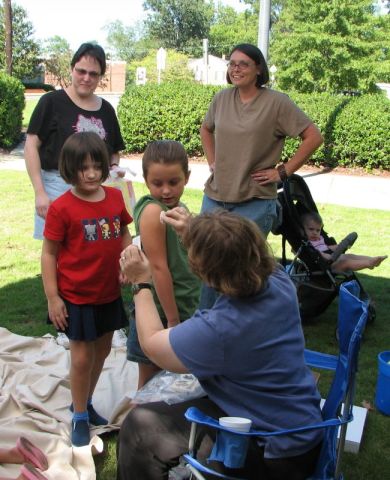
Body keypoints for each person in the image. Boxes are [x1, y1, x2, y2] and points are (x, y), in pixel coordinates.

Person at [117, 209, 323, 480]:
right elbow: (235, 255)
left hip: (272, 455)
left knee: (139, 427)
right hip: (301, 432)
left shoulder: (220, 329)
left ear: (209, 275)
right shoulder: (277, 280)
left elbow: (153, 345)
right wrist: (197, 233)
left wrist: (140, 284)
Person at [199, 43, 323, 308]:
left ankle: (242, 326)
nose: (236, 68)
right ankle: (206, 323)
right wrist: (213, 161)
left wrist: (283, 172)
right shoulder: (222, 98)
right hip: (216, 198)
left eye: (243, 63)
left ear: (258, 69)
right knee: (208, 265)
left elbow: (313, 137)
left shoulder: (277, 103)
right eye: (232, 63)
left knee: (241, 271)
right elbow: (206, 129)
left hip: (254, 202)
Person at [41, 131, 132, 447]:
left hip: (109, 293)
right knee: (81, 359)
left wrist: (126, 263)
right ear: (70, 169)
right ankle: (79, 415)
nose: (92, 173)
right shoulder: (61, 208)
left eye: (97, 165)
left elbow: (124, 235)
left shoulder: (116, 197)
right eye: (84, 167)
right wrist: (53, 297)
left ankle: (86, 402)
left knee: (103, 352)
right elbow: (49, 253)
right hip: (76, 297)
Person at [24, 42, 124, 241]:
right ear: (72, 69)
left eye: (94, 74)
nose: (86, 78)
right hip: (57, 188)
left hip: (95, 188)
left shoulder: (106, 110)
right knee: (56, 253)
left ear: (100, 77)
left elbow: (114, 150)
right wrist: (40, 192)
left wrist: (113, 167)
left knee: (89, 247)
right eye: (81, 71)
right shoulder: (51, 102)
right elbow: (30, 147)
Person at [126, 140, 201, 388]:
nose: (166, 190)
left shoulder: (180, 209)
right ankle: (137, 426)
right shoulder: (152, 212)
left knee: (175, 382)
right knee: (149, 380)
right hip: (159, 311)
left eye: (173, 182)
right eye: (158, 184)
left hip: (184, 304)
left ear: (187, 178)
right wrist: (172, 321)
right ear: (146, 180)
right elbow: (159, 269)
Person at [301, 212, 387, 272]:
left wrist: (339, 247)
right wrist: (326, 256)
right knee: (346, 262)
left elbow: (327, 247)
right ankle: (368, 263)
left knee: (349, 256)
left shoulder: (319, 238)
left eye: (318, 230)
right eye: (311, 229)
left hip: (332, 258)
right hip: (324, 265)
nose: (315, 233)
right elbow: (316, 252)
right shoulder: (306, 243)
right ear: (302, 229)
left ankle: (372, 259)